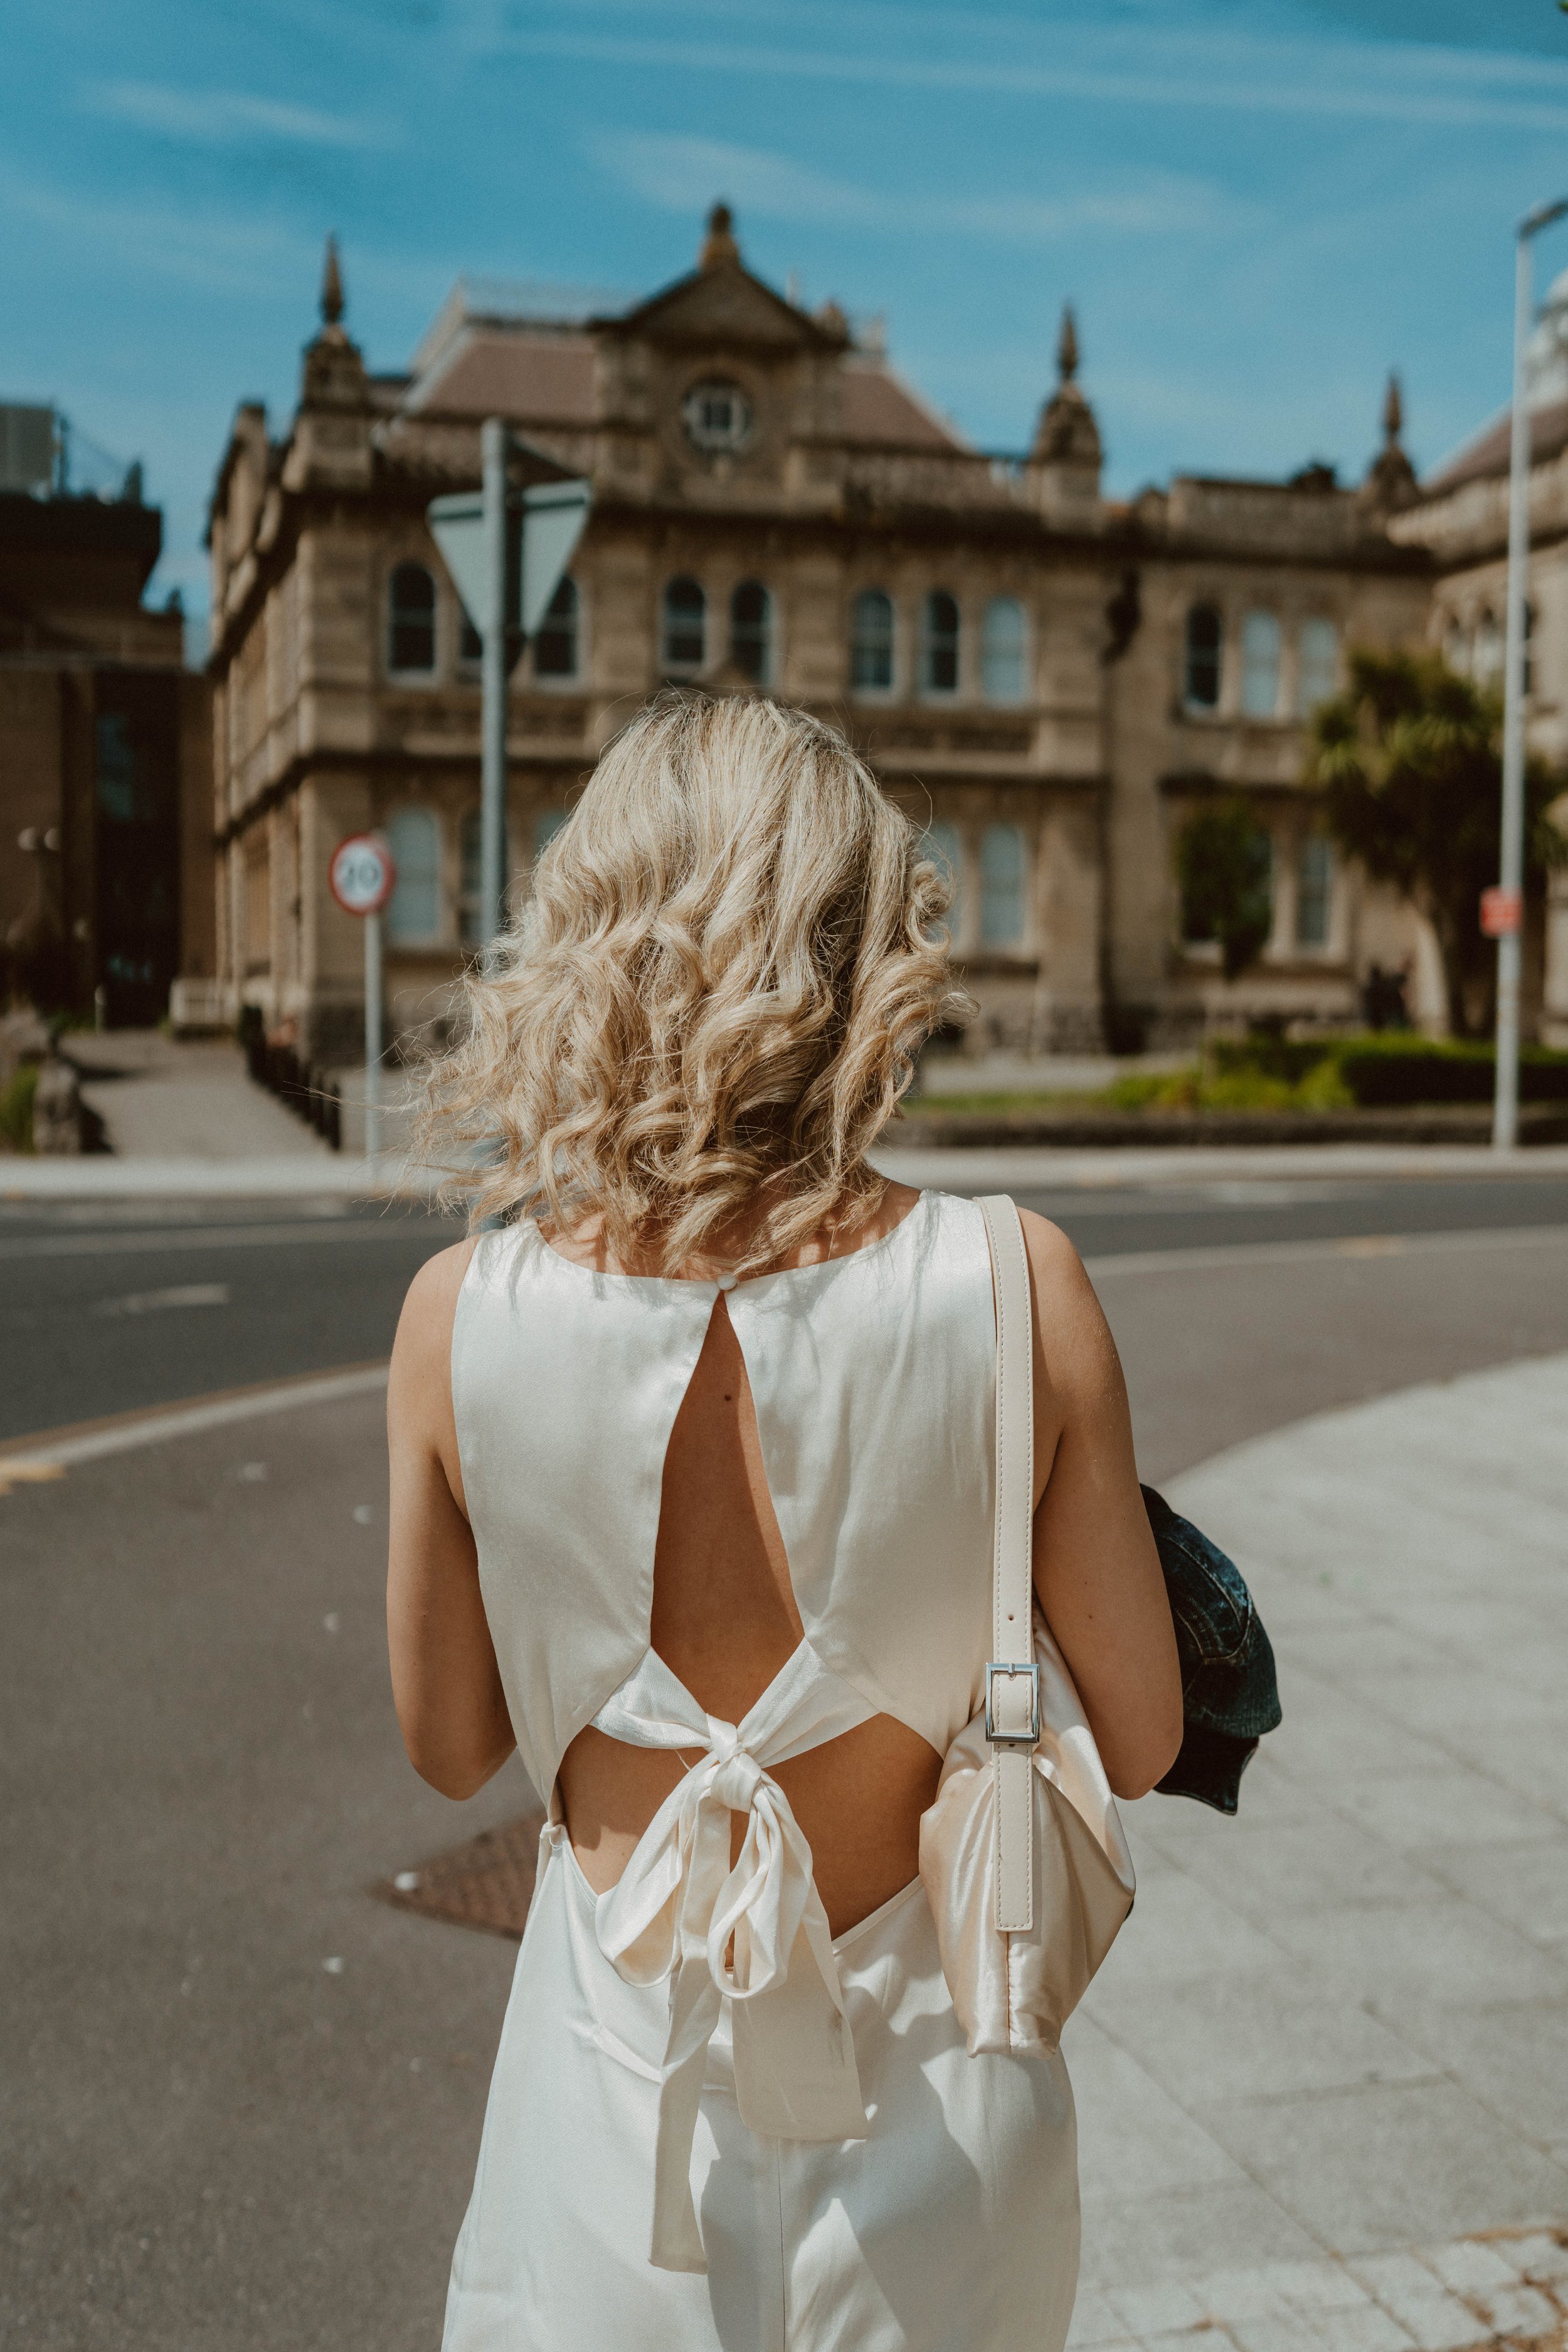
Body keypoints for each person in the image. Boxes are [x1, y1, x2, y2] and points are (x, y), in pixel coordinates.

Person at [386, 694, 1182, 2352]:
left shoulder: (456, 1317)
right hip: (938, 2108)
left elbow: (452, 1745)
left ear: (593, 941)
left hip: (612, 2100)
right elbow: (1152, 1730)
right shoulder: (1008, 1283)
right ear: (861, 957)